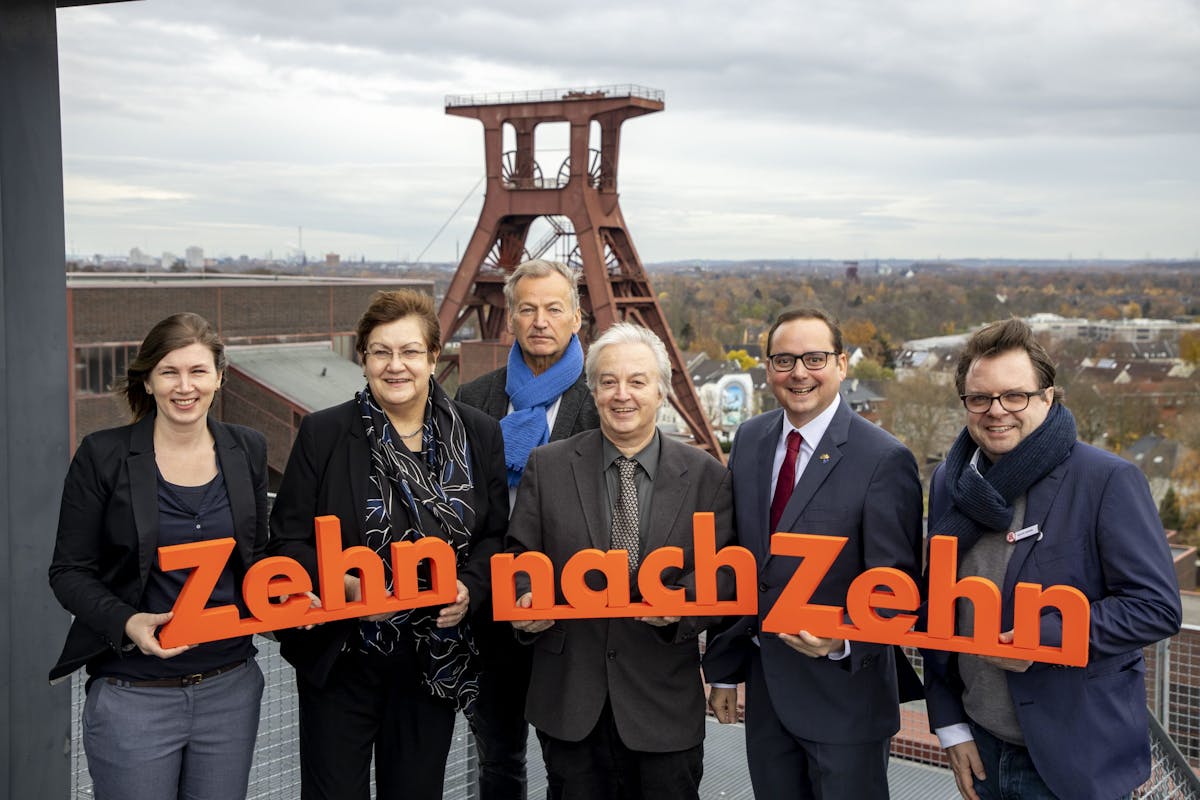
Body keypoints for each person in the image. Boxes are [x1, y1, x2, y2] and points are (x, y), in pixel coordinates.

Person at [922, 318, 1182, 800]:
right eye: (980, 398)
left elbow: (1157, 607)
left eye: (1014, 395)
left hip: (1074, 758)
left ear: (1047, 397)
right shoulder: (949, 483)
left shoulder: (1106, 480)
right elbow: (941, 608)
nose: (996, 411)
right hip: (981, 742)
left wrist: (1041, 640)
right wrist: (951, 725)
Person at [268, 288, 508, 800]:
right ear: (363, 359)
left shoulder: (479, 434)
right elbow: (286, 539)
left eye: (410, 352)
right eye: (381, 352)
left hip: (433, 663)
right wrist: (345, 585)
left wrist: (470, 587)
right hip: (344, 660)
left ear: (433, 358)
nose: (395, 366)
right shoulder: (325, 434)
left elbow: (495, 537)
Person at [506, 322, 734, 800]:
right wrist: (526, 601)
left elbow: (724, 575)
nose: (621, 395)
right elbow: (520, 555)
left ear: (662, 392)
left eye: (637, 381)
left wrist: (684, 605)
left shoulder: (706, 476)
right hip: (570, 702)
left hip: (663, 706)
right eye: (608, 381)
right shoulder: (547, 466)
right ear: (592, 391)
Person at [704, 307, 923, 800]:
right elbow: (738, 560)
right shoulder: (750, 439)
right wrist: (723, 670)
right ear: (768, 370)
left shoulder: (883, 459)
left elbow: (900, 588)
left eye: (814, 358)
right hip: (766, 695)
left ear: (842, 365)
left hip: (845, 698)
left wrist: (841, 638)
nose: (798, 372)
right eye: (784, 359)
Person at [48, 312, 269, 800]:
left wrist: (304, 595)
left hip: (230, 687)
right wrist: (128, 622)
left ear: (219, 377)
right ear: (147, 380)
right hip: (134, 696)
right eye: (169, 372)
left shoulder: (247, 449)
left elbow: (260, 557)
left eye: (197, 371)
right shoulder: (103, 455)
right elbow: (69, 572)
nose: (184, 386)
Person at [455, 258, 600, 800]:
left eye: (554, 309)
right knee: (499, 759)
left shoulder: (598, 398)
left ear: (576, 318)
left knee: (573, 762)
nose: (541, 321)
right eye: (528, 309)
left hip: (571, 611)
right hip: (493, 607)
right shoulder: (477, 398)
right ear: (511, 318)